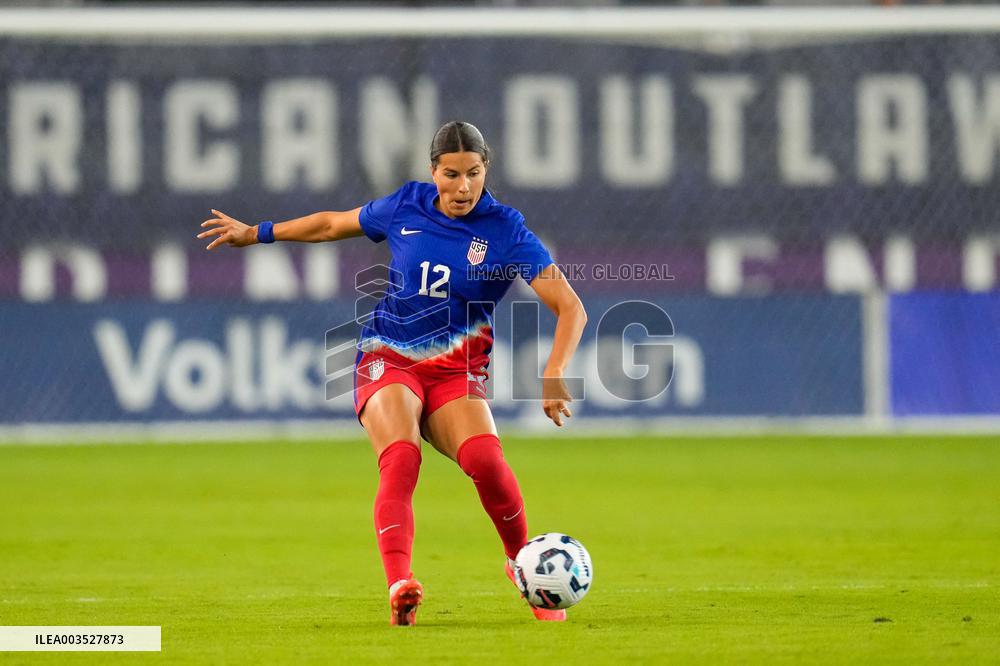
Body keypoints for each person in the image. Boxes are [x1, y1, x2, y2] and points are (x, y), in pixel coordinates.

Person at [197, 121, 587, 626]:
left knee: (487, 461)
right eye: (451, 174)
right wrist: (258, 233)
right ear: (433, 172)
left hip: (456, 370)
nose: (462, 187)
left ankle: (524, 571)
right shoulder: (406, 205)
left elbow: (570, 307)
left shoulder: (506, 229)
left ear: (486, 170)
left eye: (473, 173)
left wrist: (555, 371)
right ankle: (400, 585)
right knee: (401, 457)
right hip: (390, 354)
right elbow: (331, 224)